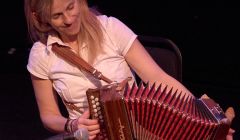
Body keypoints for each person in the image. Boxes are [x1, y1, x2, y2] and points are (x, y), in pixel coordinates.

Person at [24, 0, 234, 139]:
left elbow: (156, 77)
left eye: (70, 7)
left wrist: (207, 121)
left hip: (140, 128)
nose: (68, 20)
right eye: (57, 16)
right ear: (40, 18)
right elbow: (49, 116)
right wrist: (73, 124)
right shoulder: (41, 54)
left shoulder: (110, 28)